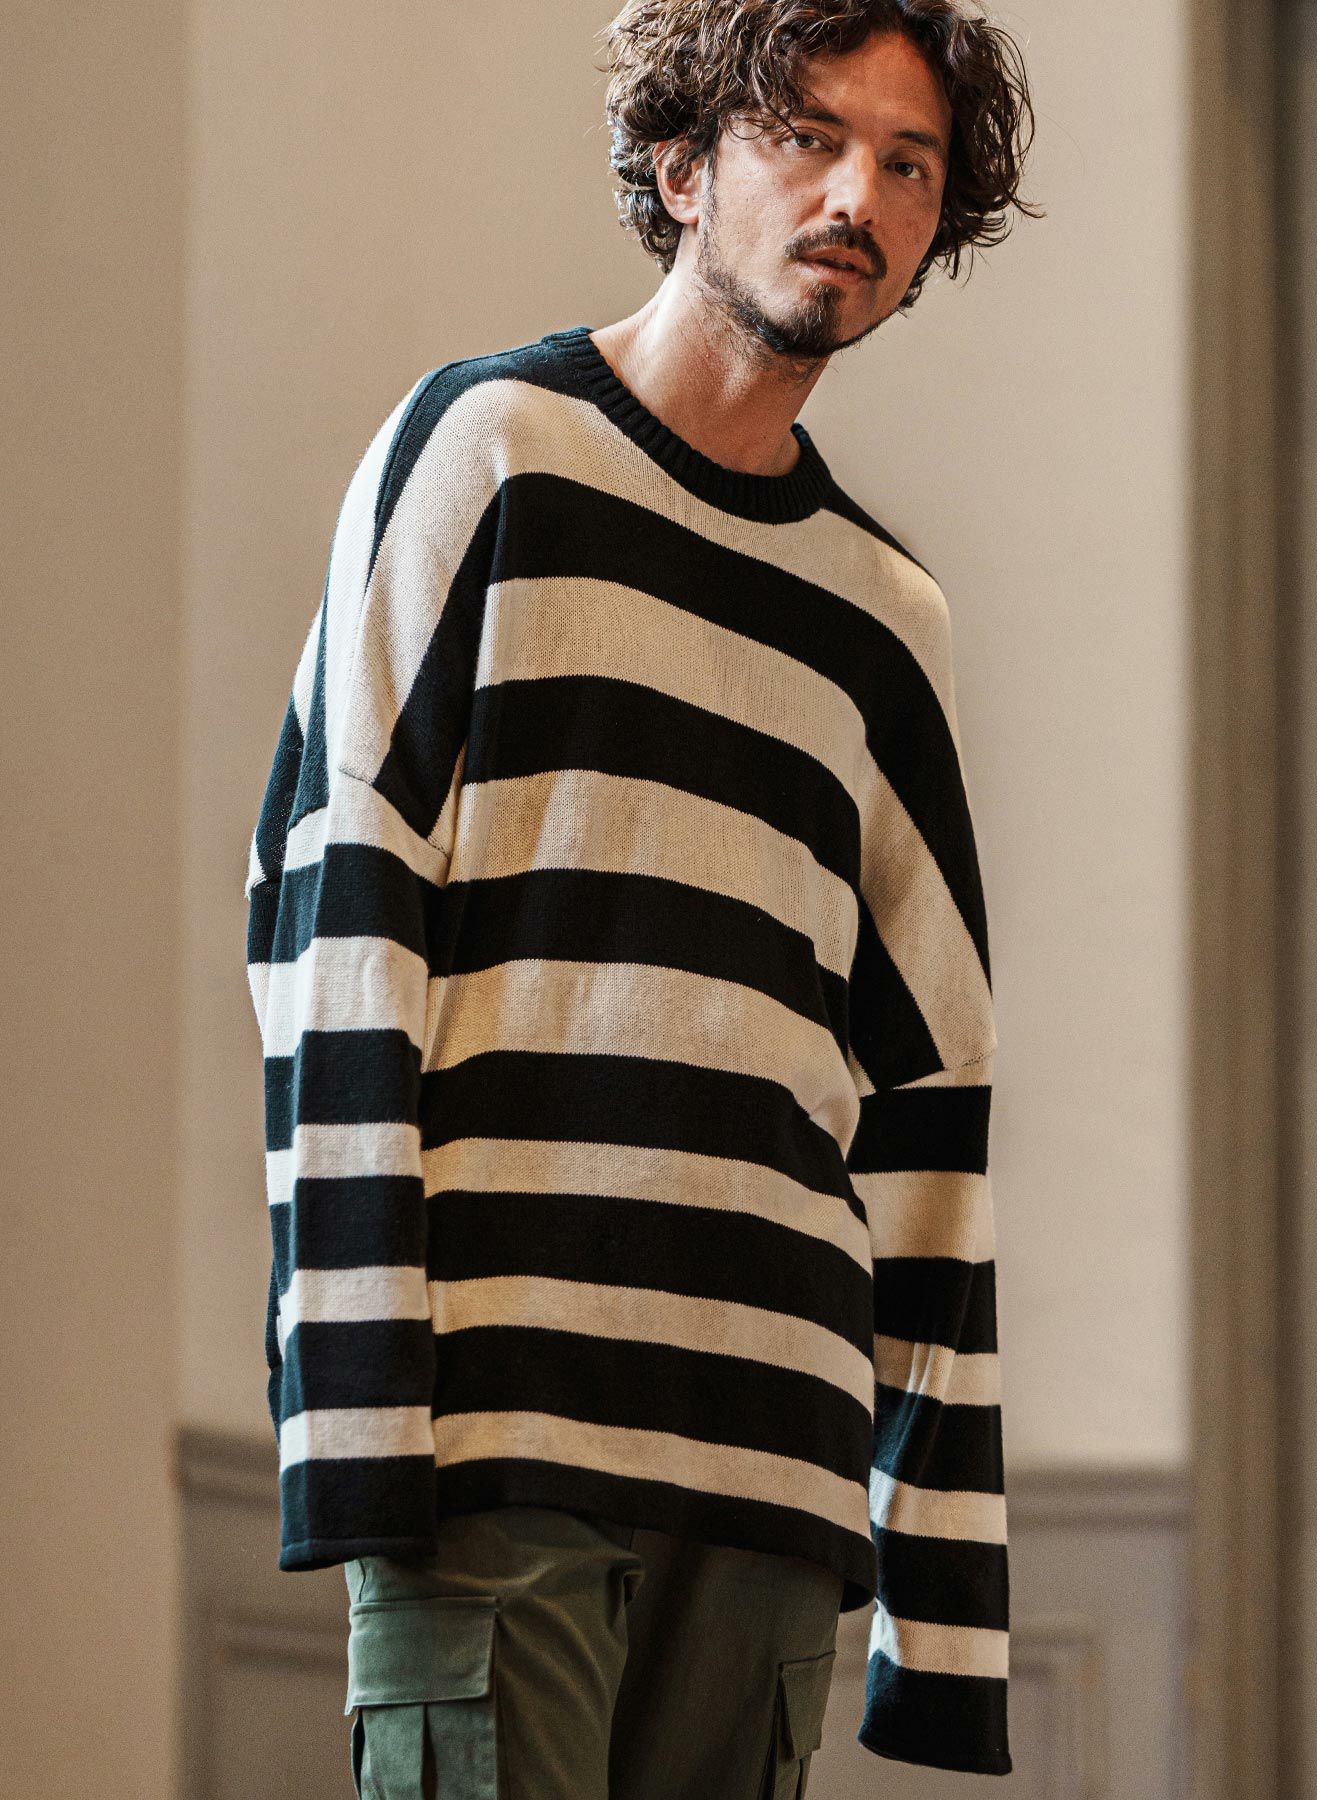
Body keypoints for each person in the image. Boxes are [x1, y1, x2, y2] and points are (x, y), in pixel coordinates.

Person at [243, 2, 1039, 1793]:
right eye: (807, 137)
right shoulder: (487, 455)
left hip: (771, 1468)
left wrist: (941, 1613)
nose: (857, 196)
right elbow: (332, 908)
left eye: (907, 164)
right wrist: (357, 1424)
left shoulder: (885, 622)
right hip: (494, 1433)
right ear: (684, 166)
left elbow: (936, 1089)